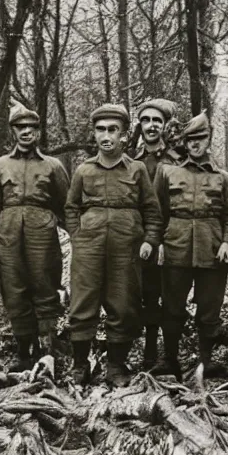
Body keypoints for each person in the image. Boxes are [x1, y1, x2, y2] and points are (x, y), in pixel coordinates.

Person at [65, 103, 162, 387]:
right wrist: (77, 235)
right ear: (94, 134)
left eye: (112, 130)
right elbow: (70, 207)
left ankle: (116, 366)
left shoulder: (138, 169)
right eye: (100, 130)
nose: (105, 136)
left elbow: (152, 210)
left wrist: (149, 240)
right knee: (82, 303)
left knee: (124, 304)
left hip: (126, 248)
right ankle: (79, 365)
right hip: (89, 248)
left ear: (124, 135)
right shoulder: (83, 171)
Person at [0, 103, 70, 371]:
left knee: (44, 287)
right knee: (14, 290)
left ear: (38, 132)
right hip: (8, 235)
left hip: (42, 234)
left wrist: (79, 240)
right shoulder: (0, 165)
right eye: (20, 128)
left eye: (31, 128)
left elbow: (67, 208)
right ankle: (24, 354)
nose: (26, 132)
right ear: (13, 132)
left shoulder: (53, 166)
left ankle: (47, 353)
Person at [152, 112, 228, 381]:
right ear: (184, 143)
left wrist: (227, 242)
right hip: (175, 246)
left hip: (212, 249)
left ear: (209, 139)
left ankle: (206, 361)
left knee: (209, 310)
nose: (195, 145)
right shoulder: (167, 172)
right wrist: (158, 243)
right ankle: (169, 360)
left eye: (200, 139)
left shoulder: (223, 177)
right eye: (190, 140)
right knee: (172, 307)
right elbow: (157, 212)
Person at [132, 98, 182, 369]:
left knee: (172, 296)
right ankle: (149, 354)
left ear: (165, 126)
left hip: (171, 238)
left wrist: (164, 238)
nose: (151, 126)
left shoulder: (178, 159)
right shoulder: (131, 160)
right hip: (141, 239)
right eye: (146, 121)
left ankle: (171, 357)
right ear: (139, 126)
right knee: (147, 295)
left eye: (157, 121)